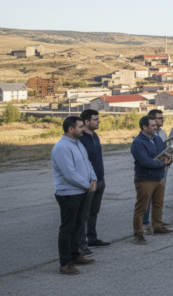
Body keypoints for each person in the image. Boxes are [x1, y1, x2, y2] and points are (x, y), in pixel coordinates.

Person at [51, 116, 97, 275]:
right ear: (71, 129)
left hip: (82, 191)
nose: (83, 129)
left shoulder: (78, 144)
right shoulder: (62, 148)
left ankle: (75, 255)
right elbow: (70, 174)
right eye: (80, 127)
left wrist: (93, 179)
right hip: (69, 194)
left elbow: (88, 163)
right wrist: (88, 185)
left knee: (78, 225)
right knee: (67, 228)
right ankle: (65, 263)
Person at [131, 116, 173, 245]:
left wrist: (170, 156)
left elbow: (163, 152)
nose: (156, 127)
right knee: (141, 208)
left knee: (158, 204)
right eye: (153, 126)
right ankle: (138, 234)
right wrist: (163, 164)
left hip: (159, 177)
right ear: (144, 127)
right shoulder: (138, 142)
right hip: (145, 179)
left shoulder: (156, 138)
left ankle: (157, 226)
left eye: (156, 125)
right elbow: (145, 161)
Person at [77, 110, 110, 258]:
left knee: (94, 212)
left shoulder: (94, 135)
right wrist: (89, 180)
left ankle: (92, 238)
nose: (99, 121)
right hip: (89, 182)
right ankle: (81, 245)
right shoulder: (80, 138)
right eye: (96, 119)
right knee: (84, 214)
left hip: (100, 180)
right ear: (86, 121)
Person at [142, 109, 171, 234]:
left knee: (158, 198)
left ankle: (157, 221)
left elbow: (165, 149)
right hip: (151, 172)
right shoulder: (143, 139)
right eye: (159, 118)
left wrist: (169, 159)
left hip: (162, 168)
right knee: (147, 200)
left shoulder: (162, 132)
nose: (162, 120)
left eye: (162, 117)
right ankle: (145, 223)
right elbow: (147, 159)